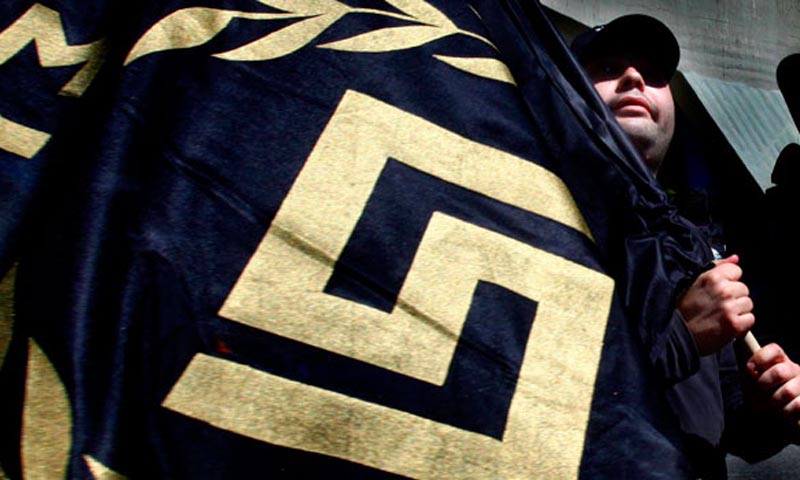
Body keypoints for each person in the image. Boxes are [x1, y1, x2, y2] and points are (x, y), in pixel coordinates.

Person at [571, 14, 800, 477]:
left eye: (655, 74)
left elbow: (732, 432)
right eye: (609, 67)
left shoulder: (692, 246)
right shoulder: (539, 215)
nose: (634, 77)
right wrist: (681, 339)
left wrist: (767, 408)